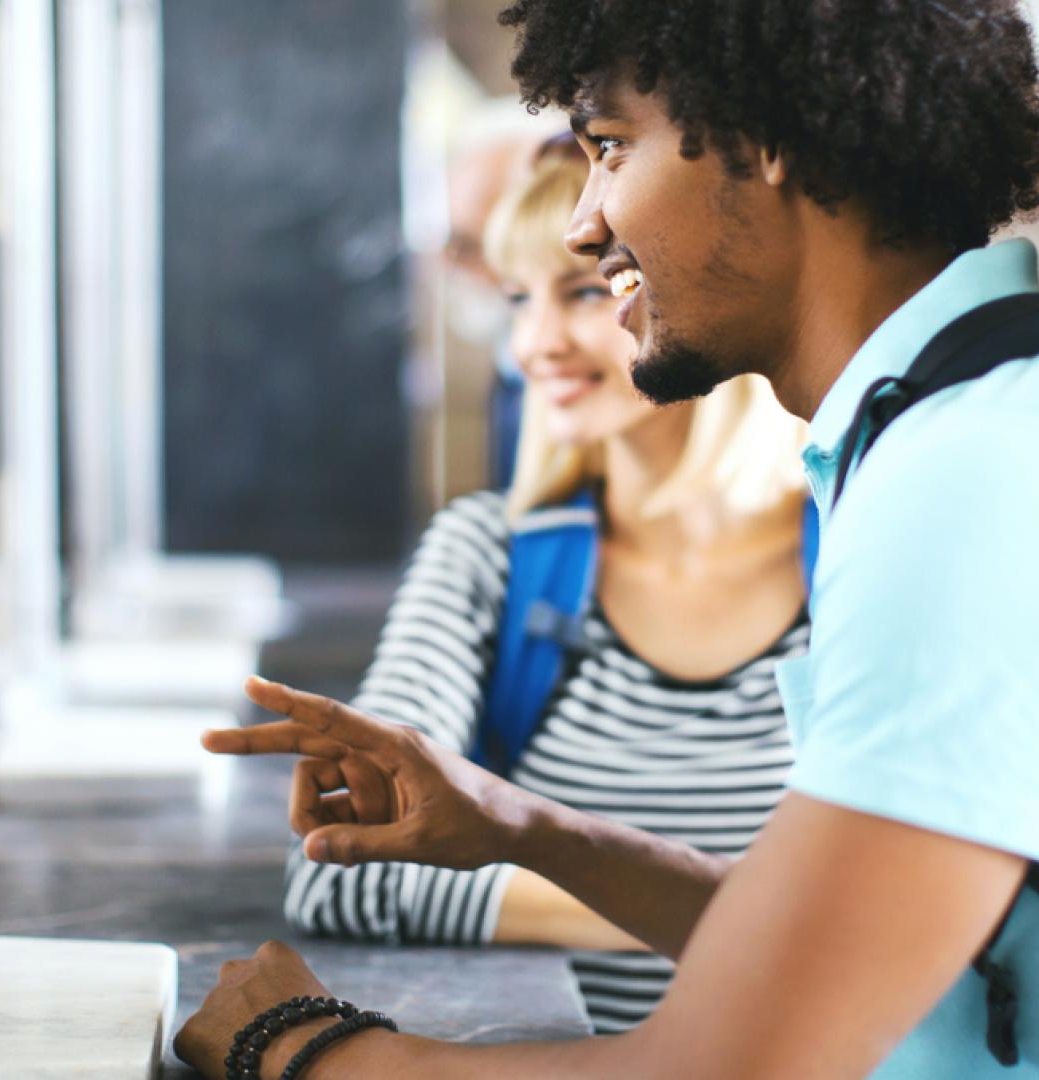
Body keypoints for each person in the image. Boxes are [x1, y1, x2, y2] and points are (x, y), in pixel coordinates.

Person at [179, 2, 1039, 1077]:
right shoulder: (983, 421)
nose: (584, 223)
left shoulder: (986, 476)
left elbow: (729, 1065)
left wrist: (298, 1047)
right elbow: (843, 964)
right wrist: (522, 828)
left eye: (611, 146)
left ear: (762, 137)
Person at [281, 145, 813, 1035]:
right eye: (517, 301)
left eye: (581, 291)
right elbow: (343, 862)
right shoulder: (487, 556)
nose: (534, 345)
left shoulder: (860, 556)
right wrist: (736, 916)